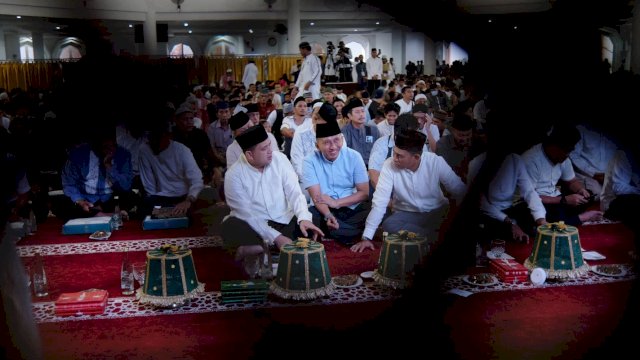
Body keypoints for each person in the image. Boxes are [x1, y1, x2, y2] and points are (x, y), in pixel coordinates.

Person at [222, 125, 324, 267]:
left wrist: (303, 218)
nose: (270, 151)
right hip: (255, 225)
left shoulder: (280, 159)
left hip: (283, 220)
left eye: (269, 145)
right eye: (264, 149)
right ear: (249, 155)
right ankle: (270, 247)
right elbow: (247, 215)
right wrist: (276, 238)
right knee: (230, 225)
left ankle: (262, 249)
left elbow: (295, 193)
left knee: (312, 221)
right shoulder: (233, 175)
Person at [352, 129, 466, 252]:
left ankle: (428, 237)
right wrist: (366, 237)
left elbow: (459, 190)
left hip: (437, 212)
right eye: (394, 153)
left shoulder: (435, 162)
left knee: (455, 219)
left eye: (399, 156)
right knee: (389, 225)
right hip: (407, 215)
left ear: (416, 157)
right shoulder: (389, 165)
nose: (394, 158)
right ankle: (436, 238)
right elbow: (380, 202)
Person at [302, 121, 370, 245]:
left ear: (342, 140)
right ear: (317, 145)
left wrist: (337, 203)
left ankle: (334, 232)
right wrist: (328, 215)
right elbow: (317, 197)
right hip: (324, 209)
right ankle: (349, 233)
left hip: (351, 205)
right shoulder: (309, 161)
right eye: (326, 142)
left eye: (336, 140)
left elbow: (364, 193)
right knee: (311, 215)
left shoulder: (354, 156)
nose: (333, 146)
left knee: (372, 209)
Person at [521, 124, 603, 226]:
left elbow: (572, 181)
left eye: (569, 151)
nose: (567, 155)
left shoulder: (563, 157)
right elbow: (529, 197)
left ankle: (566, 217)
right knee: (538, 214)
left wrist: (580, 190)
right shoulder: (530, 160)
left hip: (555, 199)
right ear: (552, 145)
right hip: (533, 202)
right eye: (564, 151)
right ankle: (581, 218)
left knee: (587, 196)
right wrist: (563, 200)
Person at [61, 126, 133, 219]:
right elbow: (69, 183)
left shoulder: (123, 154)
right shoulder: (77, 154)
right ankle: (105, 215)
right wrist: (81, 201)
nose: (109, 150)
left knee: (132, 197)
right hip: (86, 199)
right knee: (64, 203)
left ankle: (99, 213)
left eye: (112, 146)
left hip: (109, 198)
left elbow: (125, 186)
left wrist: (109, 166)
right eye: (105, 146)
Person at [138, 116, 204, 218]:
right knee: (145, 208)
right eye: (152, 140)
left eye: (158, 139)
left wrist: (188, 200)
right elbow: (149, 186)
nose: (154, 143)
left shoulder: (182, 151)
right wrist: (158, 208)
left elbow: (196, 180)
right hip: (161, 198)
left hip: (184, 196)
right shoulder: (144, 150)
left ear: (168, 136)